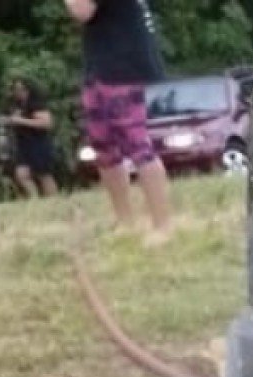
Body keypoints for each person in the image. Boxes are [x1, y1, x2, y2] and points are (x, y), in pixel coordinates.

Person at [65, 0, 172, 240]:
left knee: (136, 142)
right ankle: (124, 221)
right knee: (103, 144)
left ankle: (162, 226)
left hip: (123, 64)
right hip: (102, 62)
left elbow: (81, 10)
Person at [0, 78, 58, 197]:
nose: (18, 92)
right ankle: (35, 199)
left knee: (43, 174)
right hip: (23, 144)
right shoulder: (16, 106)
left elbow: (46, 123)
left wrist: (21, 121)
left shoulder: (36, 105)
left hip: (39, 143)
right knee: (21, 174)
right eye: (16, 89)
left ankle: (53, 199)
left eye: (22, 89)